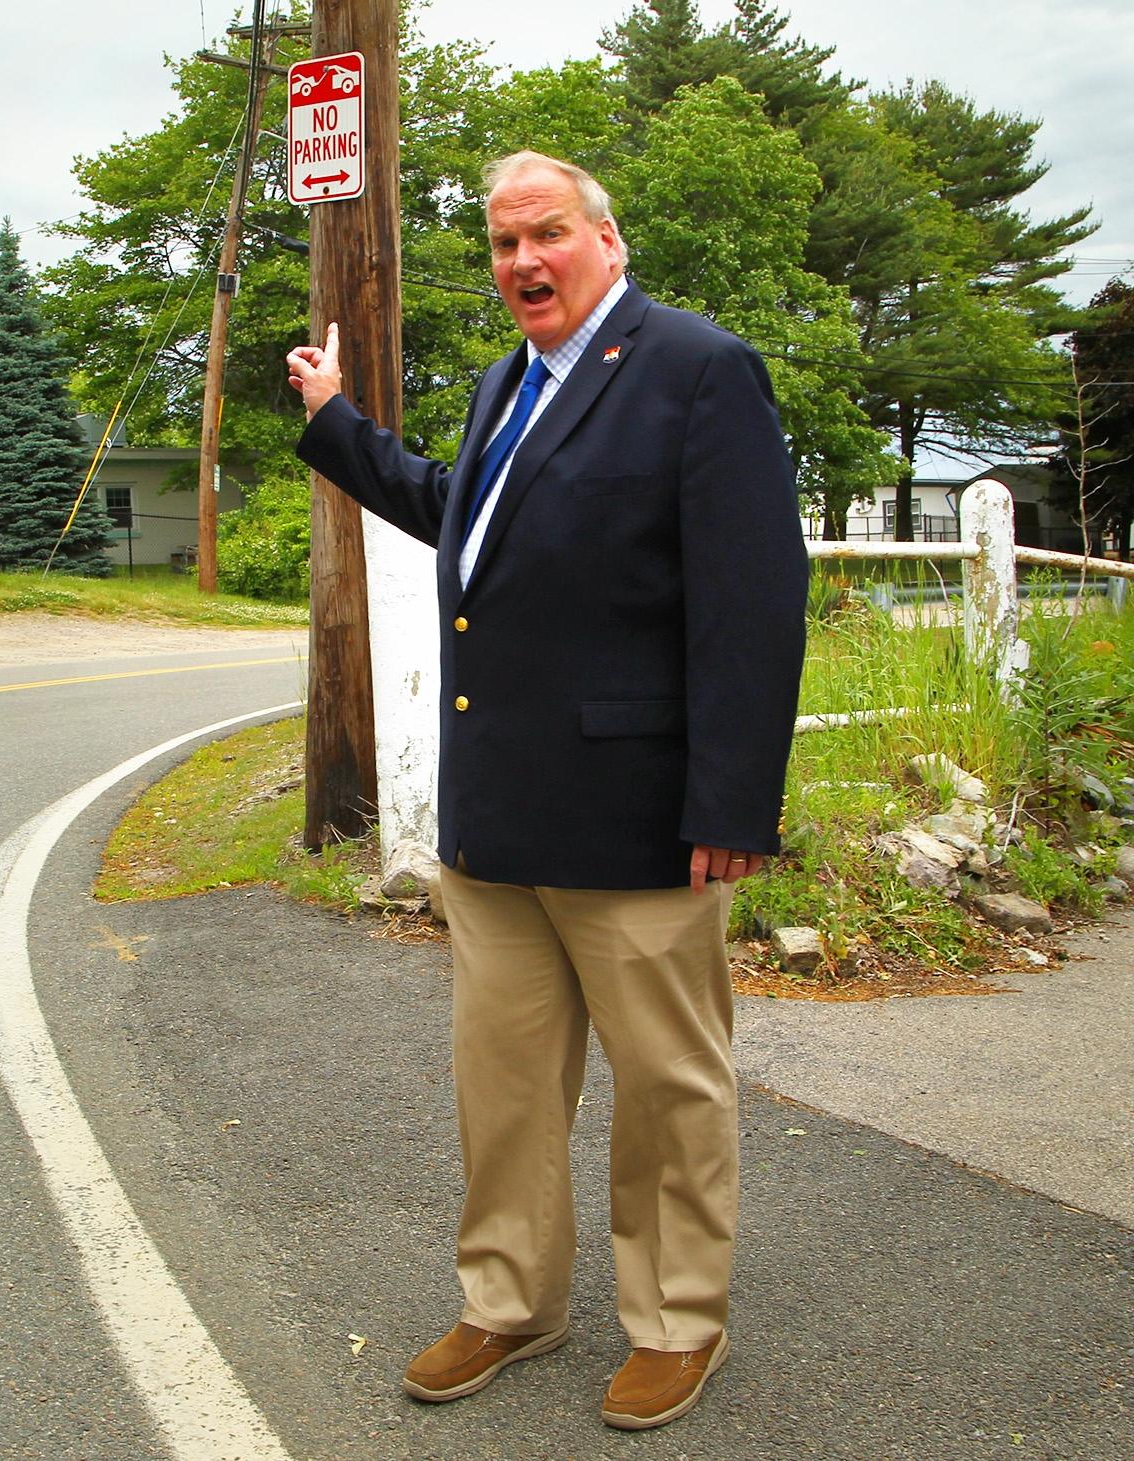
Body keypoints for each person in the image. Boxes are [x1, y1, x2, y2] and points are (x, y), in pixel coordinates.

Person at [285, 150, 807, 1431]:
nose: (522, 261)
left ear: (605, 239)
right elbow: (456, 518)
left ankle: (677, 1319)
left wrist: (732, 804)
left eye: (545, 234)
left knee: (668, 1086)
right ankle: (508, 1302)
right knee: (504, 1084)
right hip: (498, 818)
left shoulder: (695, 369)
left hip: (638, 821)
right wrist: (334, 422)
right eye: (502, 243)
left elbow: (752, 600)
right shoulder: (502, 385)